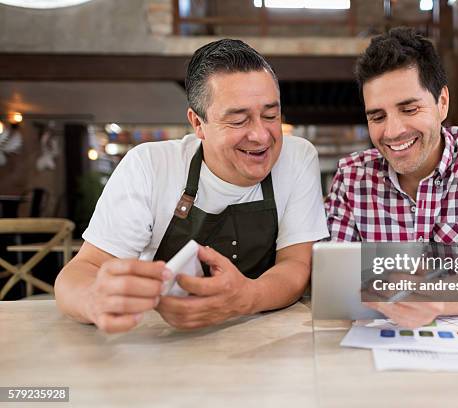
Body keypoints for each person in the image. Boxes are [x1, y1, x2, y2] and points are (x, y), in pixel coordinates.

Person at [55, 39, 329, 333]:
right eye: (238, 121)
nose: (261, 136)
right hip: (165, 340)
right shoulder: (149, 166)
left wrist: (244, 298)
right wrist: (94, 300)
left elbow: (295, 266)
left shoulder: (297, 157)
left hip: (264, 339)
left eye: (271, 116)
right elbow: (82, 270)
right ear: (198, 123)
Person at [325, 27, 458, 328]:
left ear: (442, 103)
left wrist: (432, 297)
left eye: (409, 109)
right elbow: (333, 282)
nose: (393, 132)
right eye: (377, 117)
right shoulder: (351, 176)